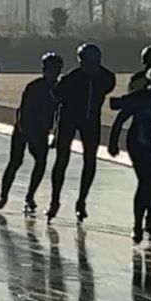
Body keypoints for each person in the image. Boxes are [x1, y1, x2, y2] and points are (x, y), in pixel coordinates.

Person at [48, 42, 116, 222]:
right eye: (87, 64)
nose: (91, 68)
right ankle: (55, 200)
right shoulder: (71, 79)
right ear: (81, 62)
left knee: (90, 159)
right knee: (62, 158)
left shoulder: (106, 77)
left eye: (94, 64)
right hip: (69, 119)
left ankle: (81, 201)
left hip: (90, 121)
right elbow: (56, 95)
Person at [108, 64, 151, 244]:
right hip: (139, 145)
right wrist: (113, 142)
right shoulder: (141, 98)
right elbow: (121, 118)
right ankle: (139, 223)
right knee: (146, 182)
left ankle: (150, 214)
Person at [0, 52, 63, 213]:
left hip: (42, 130)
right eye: (50, 70)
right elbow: (23, 112)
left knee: (41, 163)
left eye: (56, 70)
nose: (53, 73)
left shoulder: (60, 89)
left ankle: (30, 197)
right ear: (44, 69)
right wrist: (27, 134)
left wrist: (56, 134)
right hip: (23, 127)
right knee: (15, 161)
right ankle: (3, 195)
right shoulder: (34, 87)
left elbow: (61, 114)